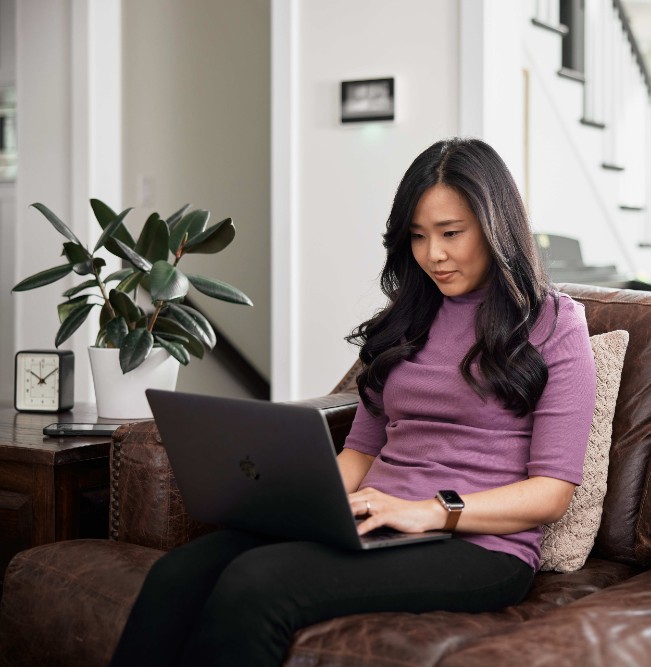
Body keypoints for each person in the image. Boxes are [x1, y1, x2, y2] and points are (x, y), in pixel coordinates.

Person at [109, 137, 597, 667]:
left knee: (258, 583)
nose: (433, 254)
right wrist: (301, 506)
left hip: (478, 547)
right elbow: (361, 453)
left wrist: (430, 512)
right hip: (376, 523)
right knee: (176, 574)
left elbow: (552, 493)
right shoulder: (407, 319)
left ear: (496, 225)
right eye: (417, 237)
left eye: (451, 233)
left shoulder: (553, 322)